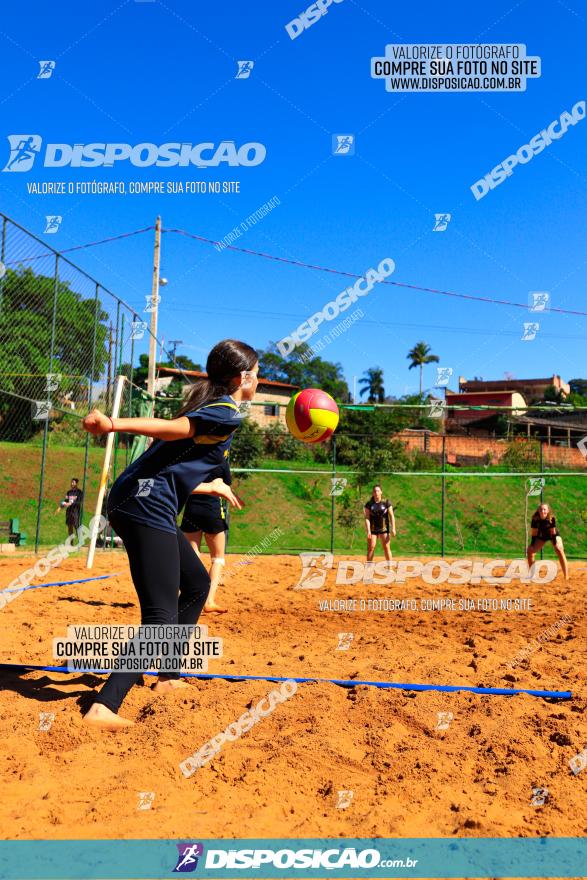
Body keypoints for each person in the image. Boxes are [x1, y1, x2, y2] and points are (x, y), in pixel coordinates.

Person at [81, 339, 259, 730]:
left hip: (141, 500)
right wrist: (112, 424)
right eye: (257, 373)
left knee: (196, 584)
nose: (259, 380)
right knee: (159, 617)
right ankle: (104, 707)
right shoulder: (226, 411)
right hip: (144, 506)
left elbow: (171, 462)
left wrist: (207, 487)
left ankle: (168, 676)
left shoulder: (215, 407)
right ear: (243, 377)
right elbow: (173, 430)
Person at [180, 460, 231, 614]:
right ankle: (208, 601)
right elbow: (226, 485)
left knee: (192, 556)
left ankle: (188, 596)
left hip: (191, 510)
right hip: (211, 511)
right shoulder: (220, 461)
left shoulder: (192, 458)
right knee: (218, 558)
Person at [527, 502, 569, 580]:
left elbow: (553, 532)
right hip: (542, 536)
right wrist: (532, 545)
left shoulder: (551, 518)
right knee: (530, 550)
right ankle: (533, 575)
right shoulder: (535, 519)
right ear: (538, 511)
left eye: (544, 509)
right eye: (540, 509)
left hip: (553, 535)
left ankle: (566, 576)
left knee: (559, 549)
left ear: (548, 510)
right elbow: (534, 533)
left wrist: (555, 543)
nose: (542, 511)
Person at [364, 484, 395, 562]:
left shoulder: (386, 502)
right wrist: (368, 530)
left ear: (381, 492)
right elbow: (367, 518)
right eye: (374, 491)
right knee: (371, 547)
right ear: (372, 493)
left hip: (384, 529)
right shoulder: (369, 504)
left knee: (386, 547)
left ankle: (390, 568)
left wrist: (393, 528)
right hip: (373, 529)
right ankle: (369, 567)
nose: (376, 492)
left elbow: (391, 516)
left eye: (378, 491)